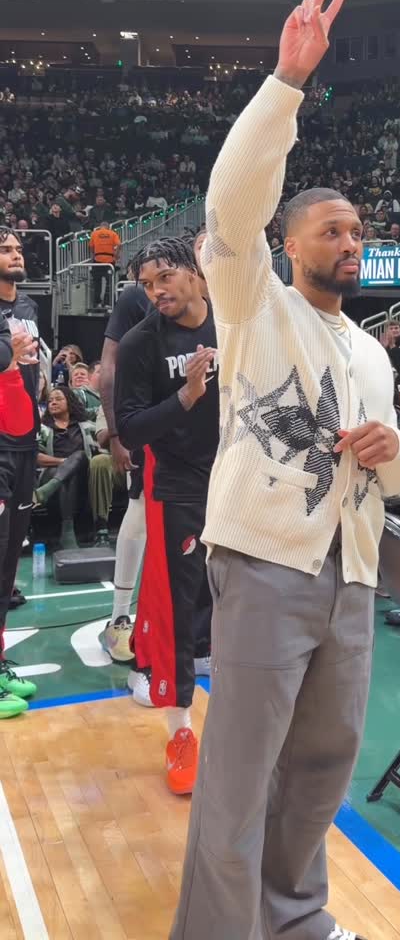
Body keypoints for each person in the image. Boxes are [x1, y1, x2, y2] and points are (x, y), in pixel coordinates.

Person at [172, 0, 400, 940]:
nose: (350, 241)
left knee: (321, 763)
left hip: (350, 572)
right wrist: (286, 84)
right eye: (331, 227)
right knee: (236, 775)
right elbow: (232, 200)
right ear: (287, 239)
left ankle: (295, 916)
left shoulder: (370, 350)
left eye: (357, 229)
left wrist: (393, 450)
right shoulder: (251, 301)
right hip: (265, 559)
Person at [115, 236, 219, 793]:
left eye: (164, 279)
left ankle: (245, 718)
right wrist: (185, 397)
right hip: (177, 485)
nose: (156, 291)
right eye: (147, 284)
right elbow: (128, 428)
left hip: (237, 479)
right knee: (180, 606)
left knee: (241, 594)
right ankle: (180, 730)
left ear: (192, 272)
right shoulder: (140, 344)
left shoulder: (231, 322)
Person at [98, 280, 151, 664]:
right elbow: (110, 366)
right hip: (151, 420)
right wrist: (115, 431)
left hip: (202, 426)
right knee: (141, 508)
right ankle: (119, 616)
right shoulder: (138, 298)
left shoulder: (214, 299)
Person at [0, 227, 41, 712]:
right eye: (5, 249)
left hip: (26, 441)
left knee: (9, 562)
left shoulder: (28, 308)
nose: (15, 255)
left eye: (16, 249)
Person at [35, 385, 98, 549]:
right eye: (50, 401)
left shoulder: (87, 427)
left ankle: (50, 488)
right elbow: (36, 457)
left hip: (82, 480)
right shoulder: (43, 429)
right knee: (64, 471)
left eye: (58, 399)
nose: (53, 403)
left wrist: (71, 462)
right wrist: (64, 462)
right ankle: (68, 531)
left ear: (69, 402)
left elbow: (97, 453)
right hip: (51, 476)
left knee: (80, 456)